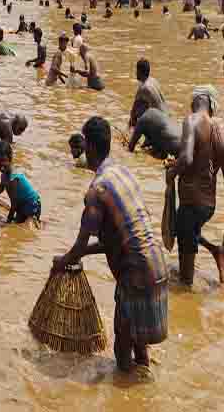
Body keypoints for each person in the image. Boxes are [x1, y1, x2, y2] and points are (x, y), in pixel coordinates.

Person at [53, 116, 168, 373]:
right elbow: (115, 240)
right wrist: (79, 254)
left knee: (121, 351)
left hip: (135, 274)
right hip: (157, 265)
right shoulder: (122, 172)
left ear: (91, 148)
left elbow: (81, 243)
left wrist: (64, 260)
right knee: (139, 346)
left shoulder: (96, 190)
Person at [166, 86, 224, 285]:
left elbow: (186, 158)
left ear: (194, 102)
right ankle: (216, 250)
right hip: (207, 208)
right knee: (182, 226)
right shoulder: (223, 137)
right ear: (211, 106)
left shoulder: (192, 120)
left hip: (190, 205)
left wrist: (171, 173)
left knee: (184, 284)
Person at [0, 141, 41, 223]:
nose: (1, 165)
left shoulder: (13, 179)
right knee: (18, 221)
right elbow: (1, 188)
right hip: (21, 204)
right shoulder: (4, 175)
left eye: (3, 160)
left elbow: (14, 204)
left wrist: (8, 220)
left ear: (10, 159)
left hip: (32, 204)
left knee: (23, 224)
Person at [129, 58, 168, 127]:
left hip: (159, 123)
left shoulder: (144, 88)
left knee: (136, 113)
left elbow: (133, 111)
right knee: (143, 106)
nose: (135, 73)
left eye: (137, 70)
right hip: (166, 117)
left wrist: (131, 124)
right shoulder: (153, 81)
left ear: (140, 72)